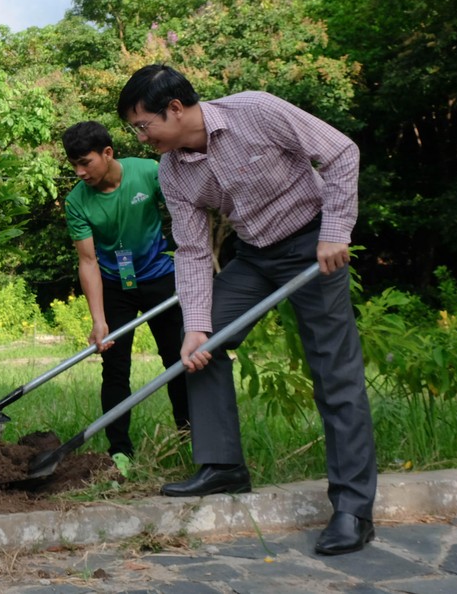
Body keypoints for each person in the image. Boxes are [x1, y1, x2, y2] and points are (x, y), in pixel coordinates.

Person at [116, 64, 377, 556]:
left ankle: (353, 509)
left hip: (312, 245)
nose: (141, 136)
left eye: (142, 125)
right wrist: (194, 327)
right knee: (200, 344)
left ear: (174, 109)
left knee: (335, 375)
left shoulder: (255, 111)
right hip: (255, 256)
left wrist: (336, 231)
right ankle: (222, 465)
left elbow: (341, 152)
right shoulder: (173, 171)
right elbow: (192, 251)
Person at [61, 121, 190, 461]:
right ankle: (120, 451)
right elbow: (87, 262)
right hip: (115, 286)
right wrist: (98, 321)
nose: (79, 172)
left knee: (178, 360)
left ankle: (191, 437)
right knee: (115, 368)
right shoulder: (77, 202)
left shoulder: (149, 172)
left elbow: (186, 215)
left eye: (84, 162)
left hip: (161, 278)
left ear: (107, 153)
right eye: (73, 164)